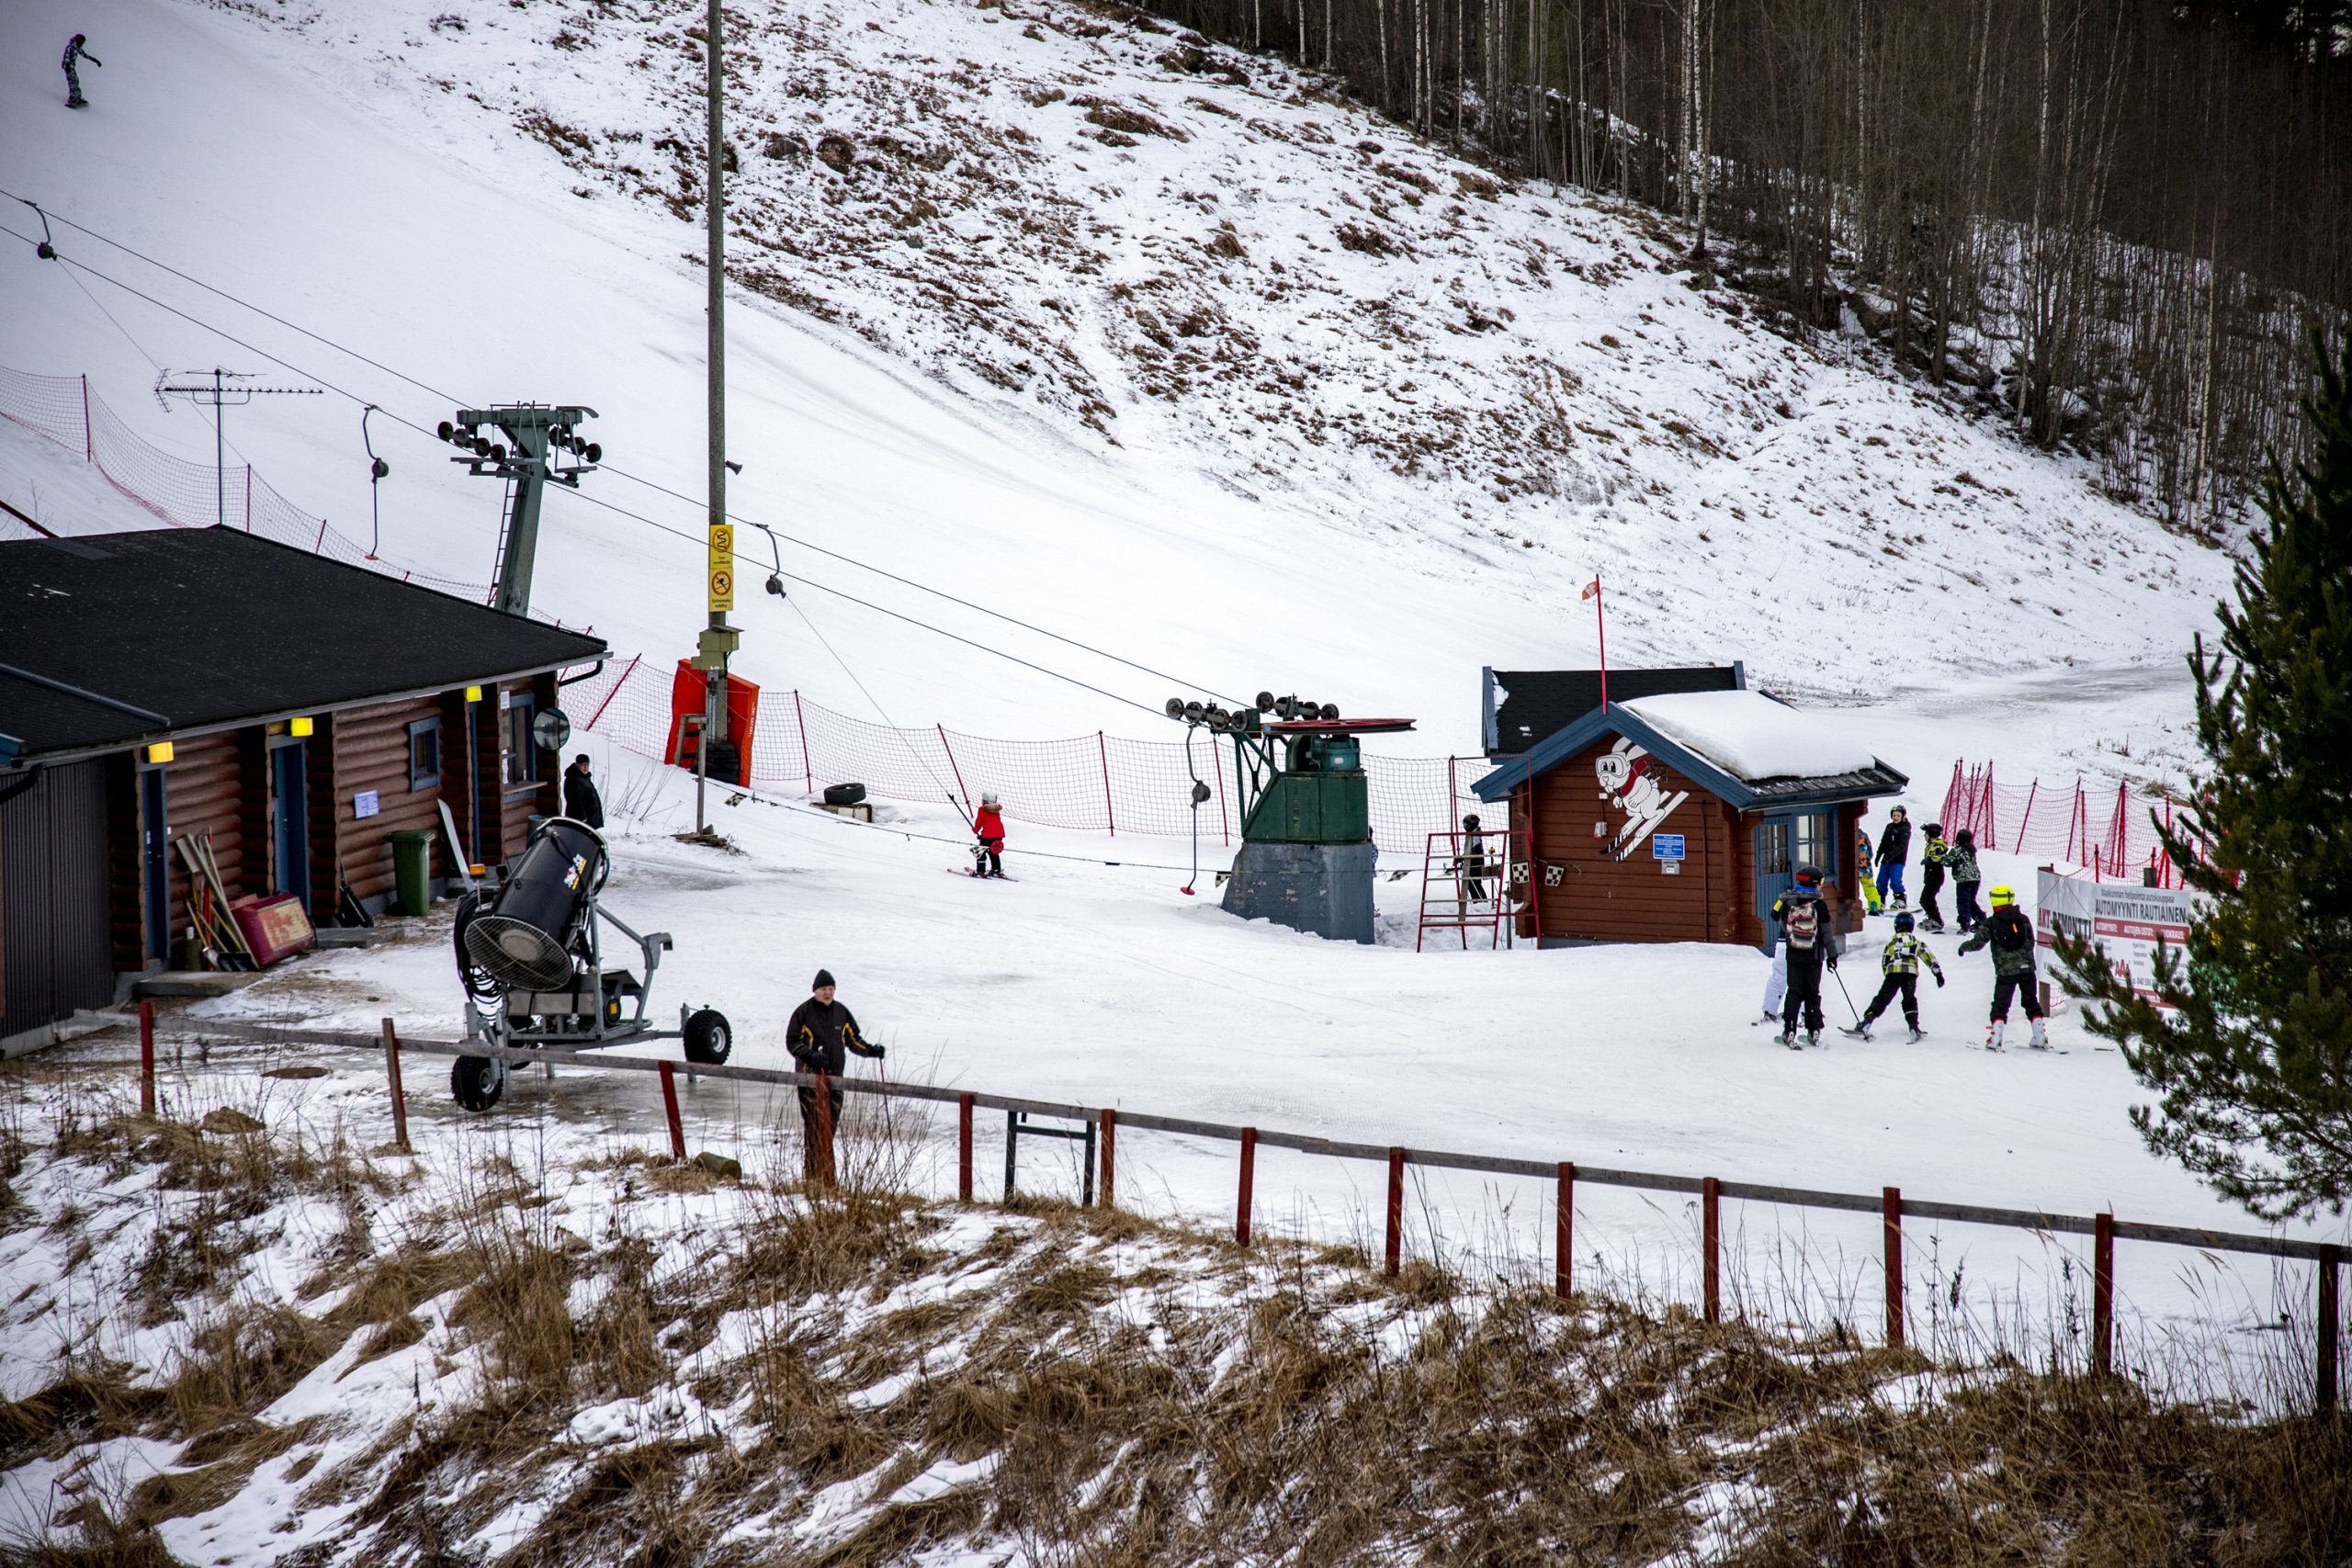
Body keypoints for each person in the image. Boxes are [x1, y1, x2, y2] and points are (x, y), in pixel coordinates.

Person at [786, 969, 886, 1172]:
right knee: (814, 1127)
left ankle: (825, 1175)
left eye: (831, 989)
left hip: (836, 1079)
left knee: (830, 1126)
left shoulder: (841, 1011)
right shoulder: (803, 1012)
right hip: (810, 1079)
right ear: (815, 991)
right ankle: (812, 1176)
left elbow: (854, 1040)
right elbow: (792, 1041)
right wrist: (811, 1055)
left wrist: (871, 1051)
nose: (828, 993)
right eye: (824, 989)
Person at [1957, 886, 2047, 1049]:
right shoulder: (2024, 919)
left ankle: (1996, 1037)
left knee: (2000, 1004)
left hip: (2006, 971)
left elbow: (1978, 944)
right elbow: (2030, 940)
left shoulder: (1991, 923)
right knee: (2031, 1001)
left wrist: (1963, 947)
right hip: (2027, 969)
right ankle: (2039, 1035)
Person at [1842, 910, 1944, 1041]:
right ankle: (1913, 1026)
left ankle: (1867, 1021)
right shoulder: (1916, 942)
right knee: (1909, 999)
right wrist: (1937, 973)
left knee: (1882, 999)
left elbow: (1885, 959)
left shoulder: (1892, 942)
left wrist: (1887, 974)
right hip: (1910, 975)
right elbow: (1928, 957)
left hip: (1893, 973)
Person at [1769, 864, 1838, 1046]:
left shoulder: (1788, 901)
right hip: (1814, 957)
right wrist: (1832, 955)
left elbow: (1778, 920)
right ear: (1815, 883)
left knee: (1794, 992)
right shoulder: (1819, 904)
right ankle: (1814, 1032)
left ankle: (1789, 1031)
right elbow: (1827, 933)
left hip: (1793, 955)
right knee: (1812, 993)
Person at [1875, 806, 1912, 911]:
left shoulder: (1905, 829)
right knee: (1881, 879)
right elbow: (1883, 842)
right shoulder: (1889, 826)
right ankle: (1880, 899)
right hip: (1886, 859)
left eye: (1898, 815)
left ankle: (1900, 899)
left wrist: (1890, 856)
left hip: (1897, 860)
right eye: (1894, 815)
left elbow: (1901, 846)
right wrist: (1879, 855)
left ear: (1902, 816)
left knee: (1895, 880)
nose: (1895, 817)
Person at [1917, 822, 1952, 932]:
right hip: (1930, 875)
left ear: (1931, 834)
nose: (1924, 836)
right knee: (1926, 899)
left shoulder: (1937, 844)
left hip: (1935, 875)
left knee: (1926, 899)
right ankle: (1932, 917)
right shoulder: (1931, 844)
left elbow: (1940, 855)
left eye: (1926, 834)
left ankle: (1936, 920)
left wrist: (1930, 859)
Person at [1949, 828, 1984, 931]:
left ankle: (1965, 923)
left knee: (1963, 902)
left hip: (1964, 879)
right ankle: (1981, 920)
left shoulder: (1957, 849)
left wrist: (1941, 854)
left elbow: (1947, 862)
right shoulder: (1971, 849)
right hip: (1976, 878)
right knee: (1970, 901)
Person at [1457, 813, 1490, 912]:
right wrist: (1462, 858)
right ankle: (1482, 903)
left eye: (1465, 824)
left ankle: (1479, 904)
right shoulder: (1474, 833)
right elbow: (1470, 850)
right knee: (1475, 883)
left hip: (1475, 863)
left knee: (1473, 884)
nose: (1464, 827)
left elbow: (1475, 850)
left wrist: (1465, 859)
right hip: (1474, 862)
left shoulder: (1475, 834)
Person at [561, 753, 604, 829]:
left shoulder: (584, 778)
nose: (586, 767)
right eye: (583, 764)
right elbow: (575, 801)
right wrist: (582, 818)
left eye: (587, 764)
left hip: (588, 819)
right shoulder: (574, 779)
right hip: (581, 821)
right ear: (577, 764)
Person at [970, 791, 1006, 877]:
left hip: (989, 835)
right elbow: (992, 825)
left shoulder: (982, 810)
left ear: (985, 800)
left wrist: (975, 830)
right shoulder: (996, 809)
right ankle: (996, 869)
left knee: (980, 851)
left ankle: (980, 871)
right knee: (993, 851)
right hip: (999, 834)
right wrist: (982, 835)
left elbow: (979, 822)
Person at [62, 34, 100, 108]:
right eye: (81, 42)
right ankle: (73, 100)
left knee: (76, 81)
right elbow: (66, 56)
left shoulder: (77, 47)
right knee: (73, 82)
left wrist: (95, 60)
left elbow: (84, 55)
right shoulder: (70, 47)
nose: (82, 44)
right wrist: (67, 65)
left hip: (72, 67)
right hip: (69, 67)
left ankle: (77, 98)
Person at [1853, 826, 1883, 916]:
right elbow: (1870, 852)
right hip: (1865, 868)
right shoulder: (1864, 835)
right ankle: (1875, 907)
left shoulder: (1848, 835)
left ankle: (1853, 907)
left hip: (1852, 868)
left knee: (1853, 889)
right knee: (1870, 888)